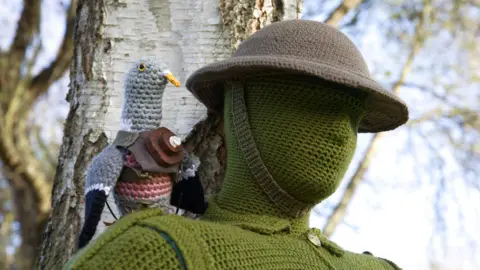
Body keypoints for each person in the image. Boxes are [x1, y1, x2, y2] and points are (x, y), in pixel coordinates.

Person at [64, 19, 407, 270]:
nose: (340, 134)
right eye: (314, 107)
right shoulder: (160, 252)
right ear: (239, 112)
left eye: (352, 118)